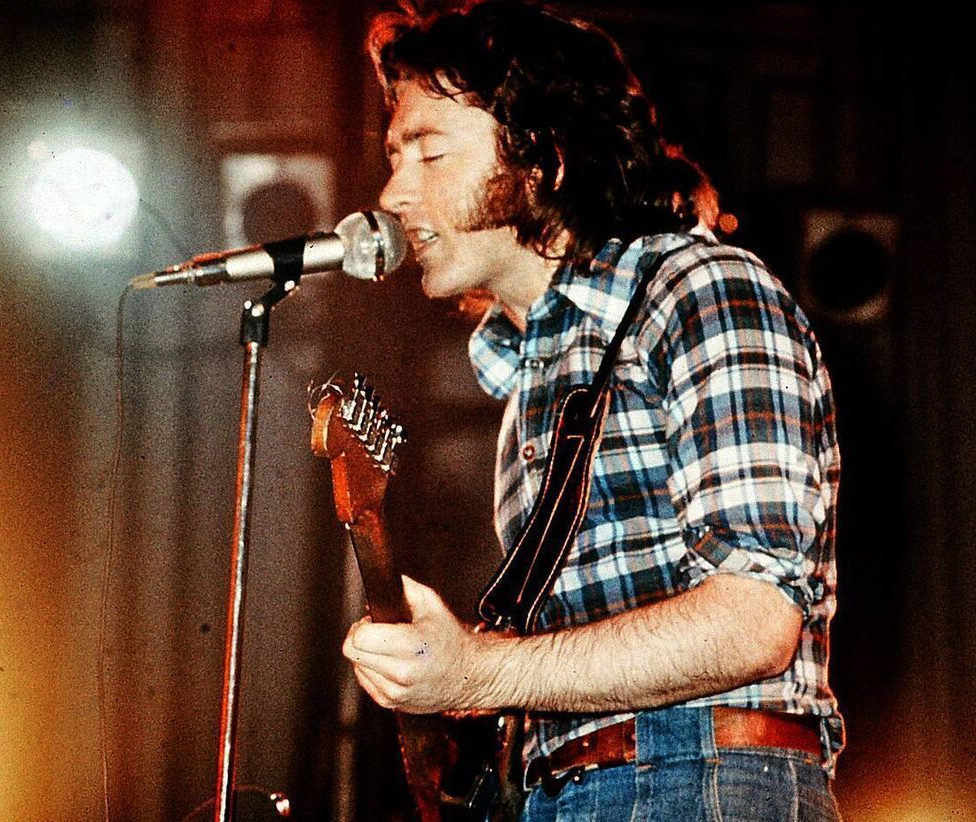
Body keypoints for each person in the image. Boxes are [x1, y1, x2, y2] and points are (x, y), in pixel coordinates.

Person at [341, 2, 844, 819]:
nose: (393, 192)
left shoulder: (703, 290)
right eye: (396, 157)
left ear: (545, 162)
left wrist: (478, 672)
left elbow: (755, 620)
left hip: (704, 776)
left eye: (430, 152)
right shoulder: (535, 384)